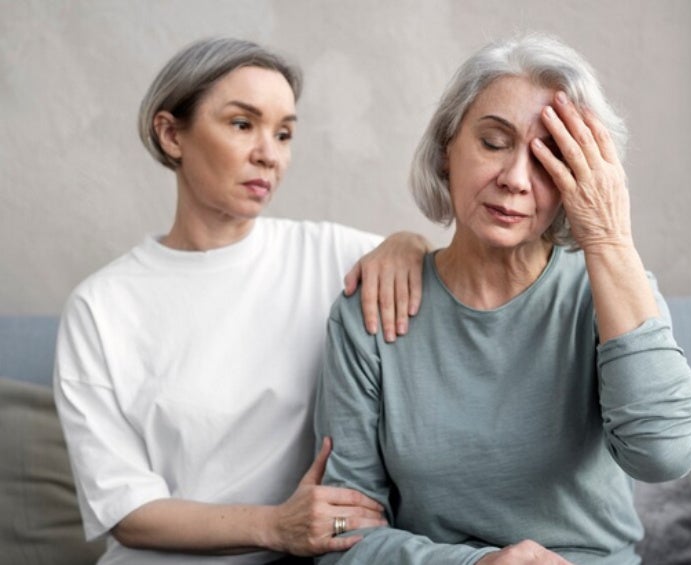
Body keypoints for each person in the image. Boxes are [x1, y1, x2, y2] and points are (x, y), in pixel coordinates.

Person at [314, 33, 691, 564]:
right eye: (494, 142)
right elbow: (342, 530)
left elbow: (665, 454)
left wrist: (609, 238)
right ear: (444, 151)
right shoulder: (373, 309)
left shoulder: (610, 289)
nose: (516, 179)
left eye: (550, 159)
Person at [53, 37, 430, 564]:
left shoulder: (331, 257)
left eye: (284, 133)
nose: (269, 155)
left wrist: (406, 242)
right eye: (241, 124)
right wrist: (275, 526)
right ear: (171, 134)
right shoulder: (101, 307)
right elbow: (126, 510)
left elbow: (439, 270)